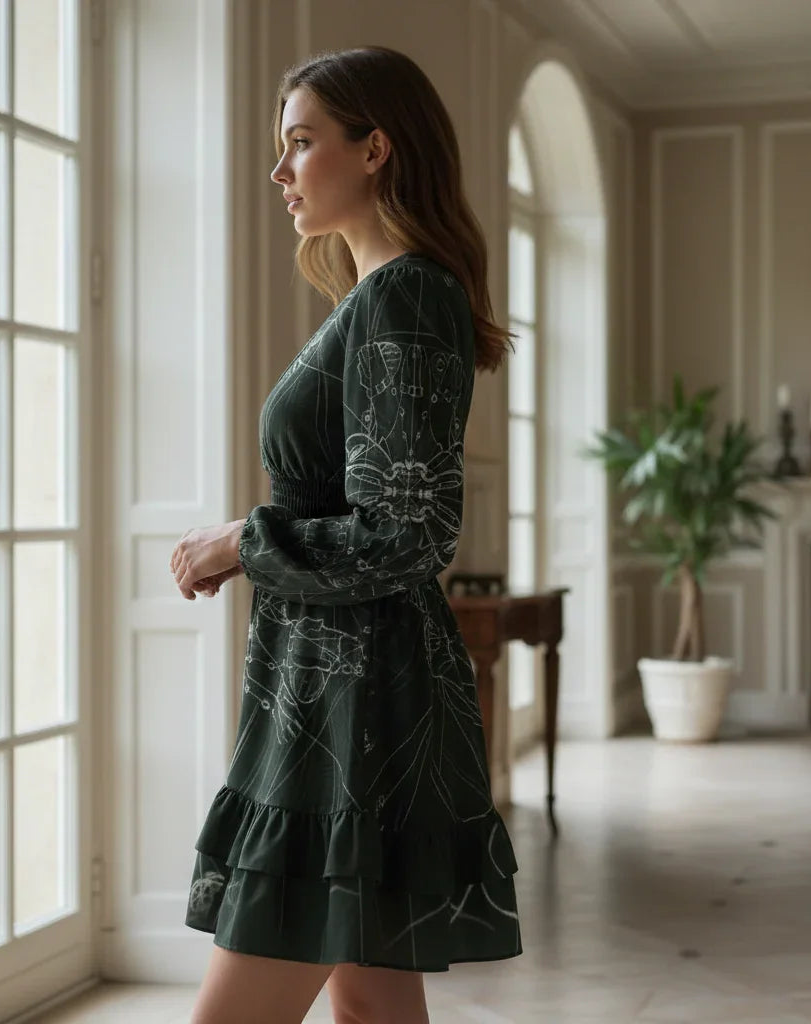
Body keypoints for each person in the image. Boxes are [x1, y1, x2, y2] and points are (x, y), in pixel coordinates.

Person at [169, 45, 521, 1024]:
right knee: (371, 1007)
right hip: (333, 692)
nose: (280, 172)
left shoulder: (406, 295)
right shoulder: (379, 296)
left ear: (375, 149)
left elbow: (407, 532)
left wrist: (245, 539)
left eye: (301, 143)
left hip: (352, 714)